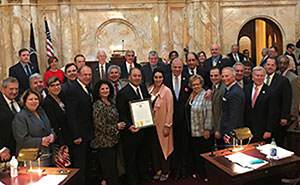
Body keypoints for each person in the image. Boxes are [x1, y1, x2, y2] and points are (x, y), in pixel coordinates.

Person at [116, 68, 151, 185]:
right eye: (134, 76)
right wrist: (129, 126)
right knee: (131, 157)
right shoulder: (123, 92)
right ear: (129, 77)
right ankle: (132, 179)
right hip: (131, 131)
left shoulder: (143, 88)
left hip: (144, 129)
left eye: (139, 76)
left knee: (143, 154)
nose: (137, 78)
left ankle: (142, 174)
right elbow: (121, 112)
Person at [91, 80, 125, 185]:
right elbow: (99, 125)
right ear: (98, 91)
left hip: (114, 141)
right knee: (109, 171)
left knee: (114, 169)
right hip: (104, 143)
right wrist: (116, 127)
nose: (105, 91)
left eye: (107, 88)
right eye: (102, 89)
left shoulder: (111, 102)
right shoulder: (98, 105)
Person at [65, 65, 94, 184]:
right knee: (80, 164)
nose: (87, 77)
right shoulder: (73, 90)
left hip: (87, 133)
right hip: (79, 136)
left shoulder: (87, 88)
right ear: (78, 75)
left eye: (89, 75)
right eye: (85, 75)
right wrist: (76, 135)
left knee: (86, 163)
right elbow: (70, 115)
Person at [12, 88, 55, 166]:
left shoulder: (41, 111)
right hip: (30, 159)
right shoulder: (21, 116)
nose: (34, 102)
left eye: (36, 99)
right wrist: (40, 141)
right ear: (25, 101)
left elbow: (49, 128)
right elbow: (21, 139)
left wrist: (52, 135)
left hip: (47, 155)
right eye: (30, 99)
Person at [164, 58, 191, 180]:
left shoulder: (188, 78)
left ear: (182, 67)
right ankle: (174, 169)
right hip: (170, 119)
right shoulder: (165, 79)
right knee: (172, 145)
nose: (177, 70)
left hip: (184, 120)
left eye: (179, 67)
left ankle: (183, 169)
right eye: (175, 67)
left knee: (184, 145)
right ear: (171, 67)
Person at [148, 68, 173, 182]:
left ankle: (165, 170)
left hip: (163, 125)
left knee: (164, 148)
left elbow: (170, 110)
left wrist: (168, 125)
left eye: (160, 77)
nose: (158, 79)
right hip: (151, 125)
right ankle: (157, 169)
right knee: (154, 148)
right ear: (153, 78)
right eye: (156, 77)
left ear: (163, 78)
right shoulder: (149, 89)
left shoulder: (167, 91)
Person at [185, 74, 212, 178]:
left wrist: (207, 129)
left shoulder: (206, 95)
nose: (196, 87)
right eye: (193, 85)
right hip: (193, 130)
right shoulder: (191, 95)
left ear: (202, 84)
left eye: (198, 84)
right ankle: (198, 172)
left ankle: (206, 174)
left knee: (204, 154)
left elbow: (209, 113)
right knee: (196, 153)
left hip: (203, 131)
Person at [263, 57, 292, 146]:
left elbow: (287, 99)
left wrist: (284, 116)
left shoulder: (283, 81)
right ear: (264, 66)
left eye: (272, 65)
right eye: (268, 65)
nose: (270, 67)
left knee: (277, 143)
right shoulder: (260, 78)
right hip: (263, 118)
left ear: (276, 67)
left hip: (277, 118)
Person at [244, 67, 274, 142]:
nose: (259, 78)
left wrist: (269, 130)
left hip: (262, 130)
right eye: (257, 75)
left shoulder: (270, 91)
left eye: (262, 76)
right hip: (247, 129)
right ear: (253, 76)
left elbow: (272, 113)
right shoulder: (246, 88)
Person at [43, 77, 69, 152]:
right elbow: (53, 123)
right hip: (58, 138)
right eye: (52, 85)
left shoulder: (62, 97)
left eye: (58, 85)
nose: (56, 87)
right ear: (47, 88)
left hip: (66, 134)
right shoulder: (47, 102)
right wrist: (61, 143)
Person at [220, 67, 245, 139]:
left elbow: (235, 116)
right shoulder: (228, 89)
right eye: (223, 76)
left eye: (227, 76)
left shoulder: (235, 92)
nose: (224, 78)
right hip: (226, 129)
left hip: (233, 132)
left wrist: (228, 133)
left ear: (234, 76)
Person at [0, 77, 20, 162]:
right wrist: (1, 149)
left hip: (16, 150)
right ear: (3, 89)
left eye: (16, 89)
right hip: (3, 153)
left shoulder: (18, 101)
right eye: (11, 89)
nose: (14, 92)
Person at [278, 55, 300, 120]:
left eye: (284, 63)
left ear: (287, 65)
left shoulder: (294, 78)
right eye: (280, 63)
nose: (282, 65)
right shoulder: (277, 74)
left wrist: (293, 114)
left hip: (288, 113)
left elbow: (296, 98)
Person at [209, 67, 225, 143]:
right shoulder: (213, 86)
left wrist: (218, 129)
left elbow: (223, 111)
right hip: (214, 125)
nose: (213, 78)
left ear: (221, 76)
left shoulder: (223, 89)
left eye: (216, 76)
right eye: (211, 76)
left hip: (221, 128)